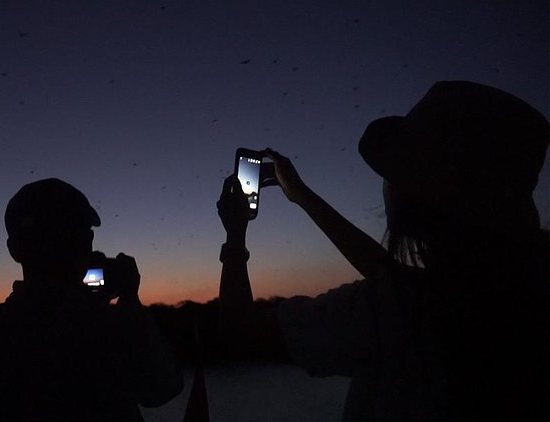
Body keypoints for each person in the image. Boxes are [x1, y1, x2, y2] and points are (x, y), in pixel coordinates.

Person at [217, 81, 549, 421]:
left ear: (417, 193)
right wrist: (301, 195)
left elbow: (240, 332)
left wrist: (235, 237)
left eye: (395, 171)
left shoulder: (401, 313)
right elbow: (392, 274)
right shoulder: (519, 289)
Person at [0, 178, 183, 421]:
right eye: (79, 234)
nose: (87, 243)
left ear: (14, 249)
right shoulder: (107, 327)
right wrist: (129, 301)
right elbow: (161, 389)